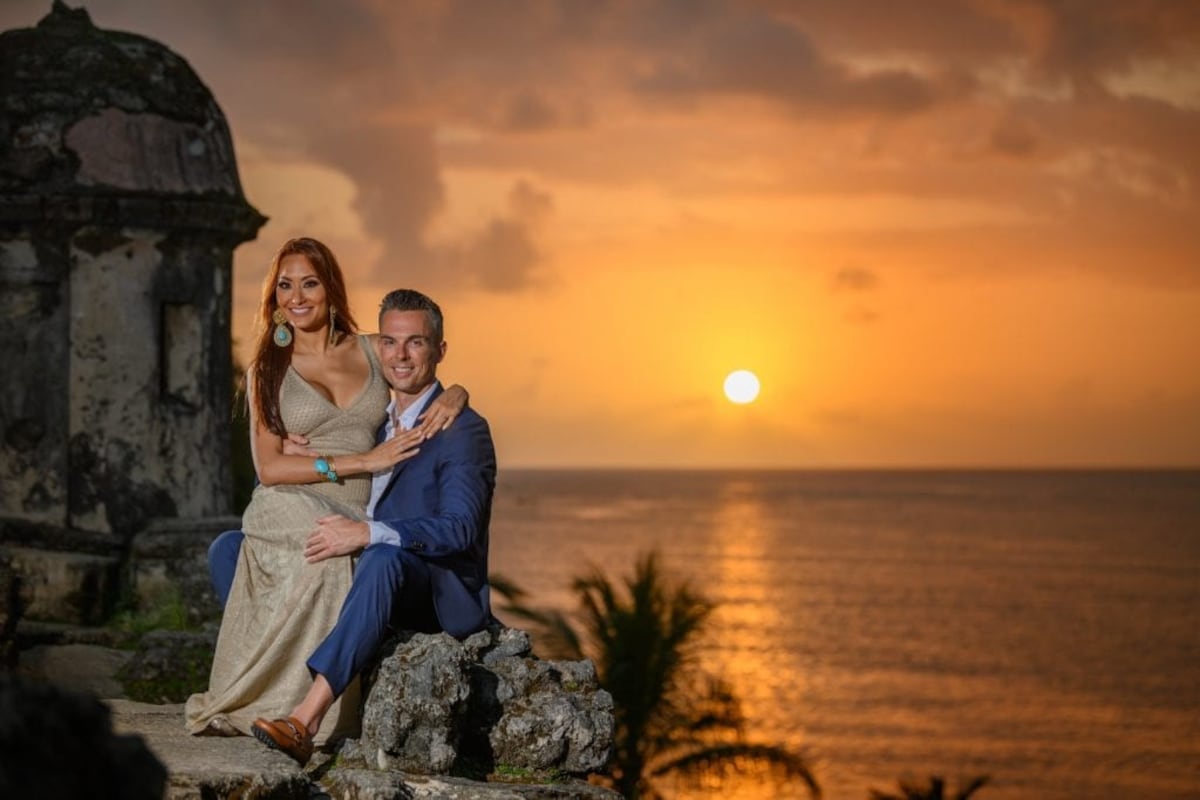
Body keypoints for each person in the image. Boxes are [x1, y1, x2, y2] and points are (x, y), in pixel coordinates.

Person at [184, 240, 466, 742]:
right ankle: (299, 714)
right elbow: (271, 468)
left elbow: (417, 364)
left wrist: (458, 394)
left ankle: (292, 711)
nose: (297, 297)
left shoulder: (370, 350)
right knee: (326, 547)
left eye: (309, 283)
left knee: (333, 546)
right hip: (287, 502)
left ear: (331, 288)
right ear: (274, 298)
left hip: (354, 510)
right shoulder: (267, 369)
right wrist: (363, 461)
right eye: (285, 286)